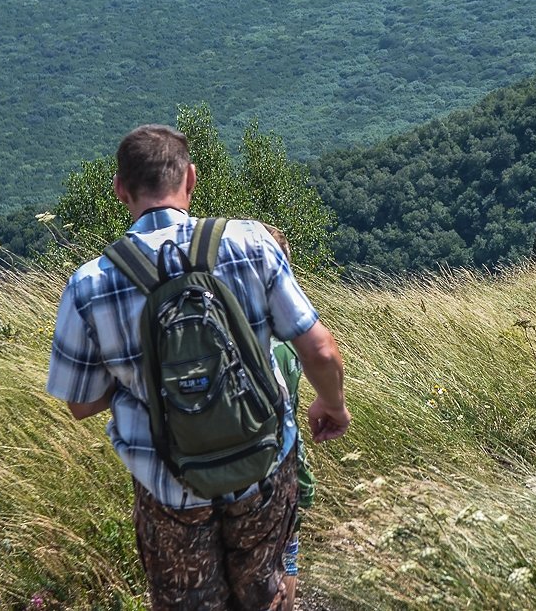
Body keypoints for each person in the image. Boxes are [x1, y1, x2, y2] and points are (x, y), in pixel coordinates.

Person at [46, 124, 351, 611]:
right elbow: (320, 351)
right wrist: (331, 405)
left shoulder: (89, 285)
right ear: (190, 178)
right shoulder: (251, 242)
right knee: (266, 588)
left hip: (168, 483)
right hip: (263, 467)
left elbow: (80, 404)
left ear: (120, 189)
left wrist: (142, 379)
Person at [263, 224, 317, 611]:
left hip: (228, 474)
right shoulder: (288, 343)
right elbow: (290, 417)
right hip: (280, 470)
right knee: (287, 559)